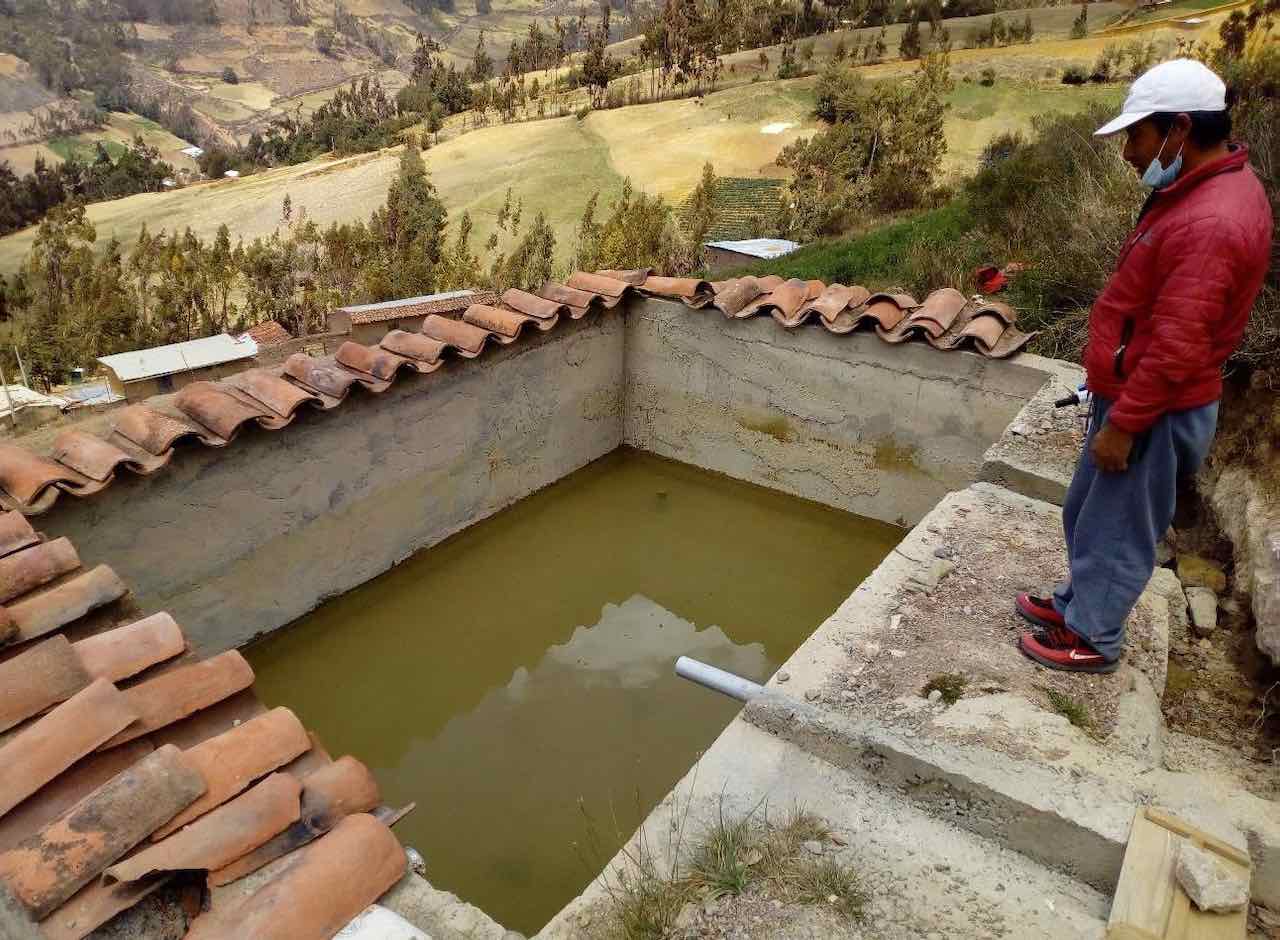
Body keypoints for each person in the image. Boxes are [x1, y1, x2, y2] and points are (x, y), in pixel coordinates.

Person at [1016, 58, 1273, 674]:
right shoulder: (1196, 192)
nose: (1130, 152)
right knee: (1090, 510)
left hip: (1155, 407)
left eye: (1137, 135)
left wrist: (1126, 424)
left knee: (1118, 528)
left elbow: (1179, 342)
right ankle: (1078, 604)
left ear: (1180, 129)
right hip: (1135, 393)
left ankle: (1094, 639)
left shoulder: (1211, 220)